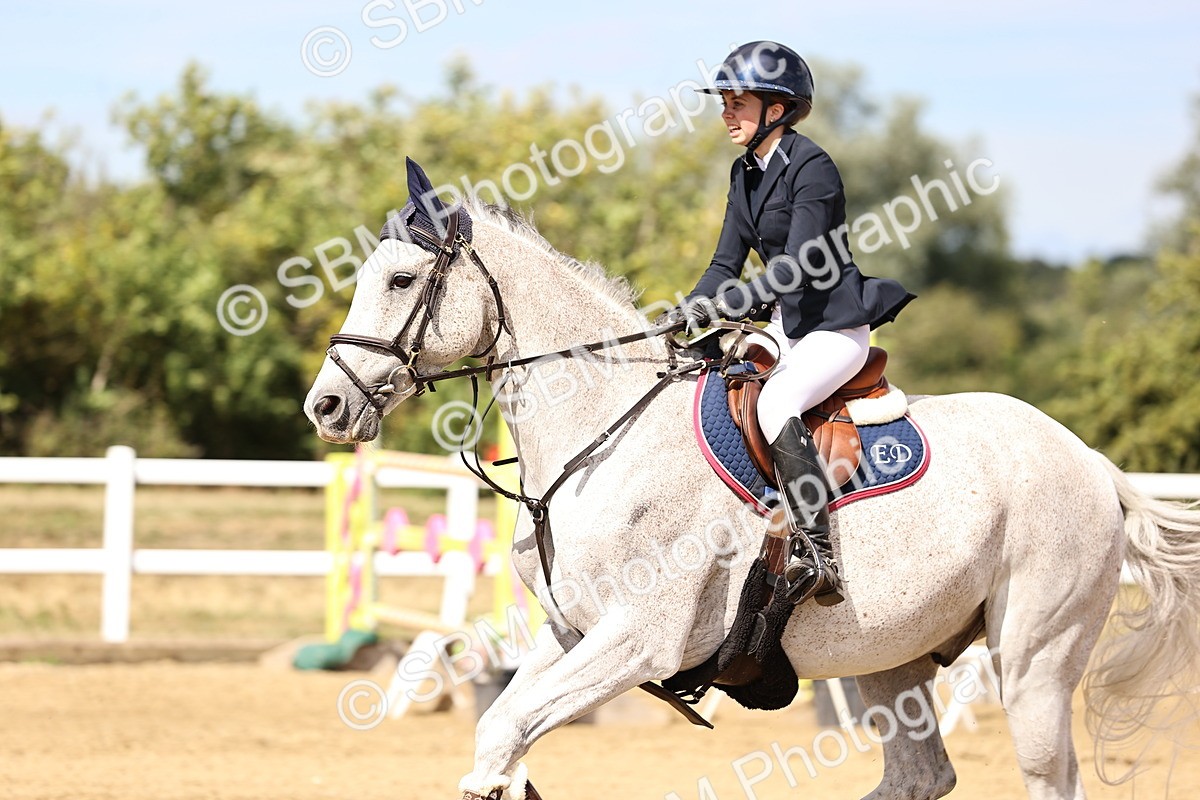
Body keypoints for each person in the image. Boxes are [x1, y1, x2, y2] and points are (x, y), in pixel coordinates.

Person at [664, 41, 915, 607]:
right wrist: (685, 309)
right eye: (724, 102)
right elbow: (724, 263)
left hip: (832, 327)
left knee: (776, 404)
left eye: (738, 102)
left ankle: (816, 550)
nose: (726, 112)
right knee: (708, 378)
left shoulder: (812, 167)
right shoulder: (743, 173)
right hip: (784, 325)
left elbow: (798, 266)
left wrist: (730, 303)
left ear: (776, 109)